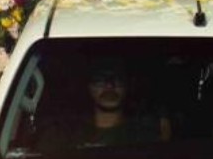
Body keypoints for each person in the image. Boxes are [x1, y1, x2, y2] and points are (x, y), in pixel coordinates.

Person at [38, 64, 170, 152]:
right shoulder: (62, 135)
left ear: (127, 86)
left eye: (117, 79)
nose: (109, 86)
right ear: (89, 87)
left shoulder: (144, 137)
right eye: (100, 79)